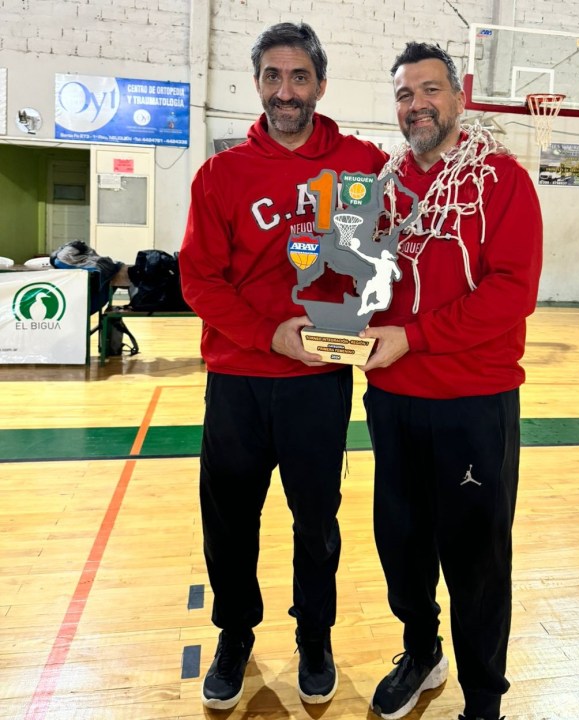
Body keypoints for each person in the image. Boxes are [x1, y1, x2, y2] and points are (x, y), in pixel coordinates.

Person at [178, 22, 387, 711]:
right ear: (258, 83)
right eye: (273, 76)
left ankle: (315, 637)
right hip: (238, 379)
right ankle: (234, 633)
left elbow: (390, 247)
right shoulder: (222, 174)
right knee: (230, 521)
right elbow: (200, 281)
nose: (285, 91)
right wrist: (269, 334)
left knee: (316, 521)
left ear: (320, 84)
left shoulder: (362, 163)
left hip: (318, 383)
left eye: (299, 77)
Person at [360, 42, 543, 720]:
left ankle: (484, 701)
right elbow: (357, 277)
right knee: (401, 544)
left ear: (458, 98)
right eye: (405, 94)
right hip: (392, 399)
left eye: (430, 90)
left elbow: (511, 292)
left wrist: (414, 336)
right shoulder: (380, 186)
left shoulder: (502, 180)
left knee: (476, 559)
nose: (418, 105)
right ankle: (421, 652)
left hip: (472, 402)